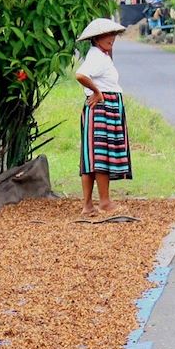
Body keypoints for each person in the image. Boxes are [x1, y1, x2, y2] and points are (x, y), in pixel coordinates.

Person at [75, 18, 133, 216]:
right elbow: (80, 75)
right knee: (100, 155)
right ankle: (105, 202)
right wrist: (97, 92)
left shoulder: (100, 55)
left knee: (92, 156)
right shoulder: (97, 57)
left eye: (113, 35)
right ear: (97, 38)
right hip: (102, 107)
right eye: (107, 35)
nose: (112, 39)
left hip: (101, 107)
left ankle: (88, 205)